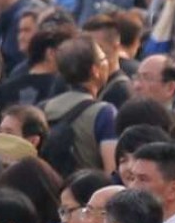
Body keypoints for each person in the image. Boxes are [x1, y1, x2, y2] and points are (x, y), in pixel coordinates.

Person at [42, 35, 118, 174]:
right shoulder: (104, 113)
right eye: (104, 59)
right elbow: (112, 169)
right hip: (88, 186)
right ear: (95, 70)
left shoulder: (43, 108)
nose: (107, 63)